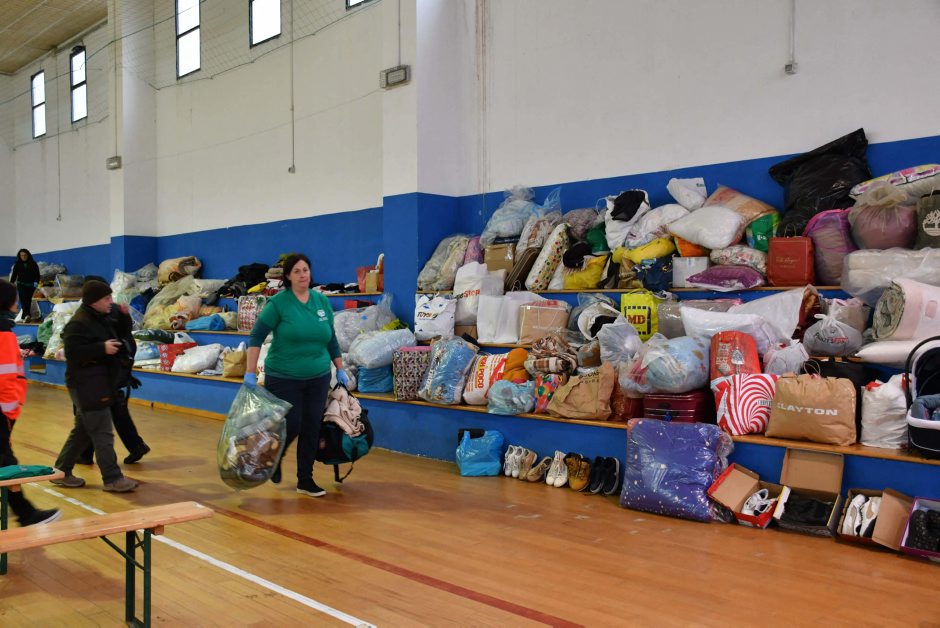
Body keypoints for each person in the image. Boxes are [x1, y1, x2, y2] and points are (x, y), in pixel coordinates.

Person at [244, 253, 348, 497]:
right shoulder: (279, 303)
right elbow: (256, 336)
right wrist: (249, 372)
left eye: (306, 270)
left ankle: (305, 479)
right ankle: (275, 455)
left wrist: (340, 368)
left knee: (312, 426)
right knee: (292, 424)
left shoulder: (321, 301)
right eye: (297, 271)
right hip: (283, 376)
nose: (303, 275)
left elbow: (331, 339)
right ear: (288, 276)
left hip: (318, 375)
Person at [50, 280, 138, 492]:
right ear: (94, 301)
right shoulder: (78, 324)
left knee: (83, 431)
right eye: (106, 298)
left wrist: (124, 316)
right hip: (86, 384)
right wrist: (101, 348)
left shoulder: (102, 317)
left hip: (99, 381)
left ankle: (61, 471)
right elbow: (72, 352)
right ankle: (112, 478)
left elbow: (121, 333)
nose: (111, 302)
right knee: (102, 432)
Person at [0, 279, 61, 525]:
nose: (17, 304)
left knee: (6, 462)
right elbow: (5, 379)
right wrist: (9, 414)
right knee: (6, 464)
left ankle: (25, 513)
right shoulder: (4, 334)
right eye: (14, 300)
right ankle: (26, 514)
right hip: (2, 412)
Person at [76, 301, 151, 466]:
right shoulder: (123, 333)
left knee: (90, 416)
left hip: (103, 381)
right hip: (114, 379)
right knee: (117, 414)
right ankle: (136, 446)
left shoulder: (108, 334)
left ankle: (87, 455)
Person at [9, 249, 40, 323]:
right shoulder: (17, 264)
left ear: (28, 255)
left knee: (28, 300)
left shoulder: (33, 264)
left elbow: (37, 275)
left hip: (30, 285)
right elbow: (14, 275)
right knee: (23, 300)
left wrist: (36, 282)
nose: (23, 257)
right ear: (19, 256)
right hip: (21, 285)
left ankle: (25, 316)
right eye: (22, 255)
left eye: (25, 255)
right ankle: (27, 315)